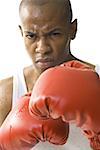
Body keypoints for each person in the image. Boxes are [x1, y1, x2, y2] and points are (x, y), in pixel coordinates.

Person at [0, 0, 97, 149]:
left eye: (54, 34)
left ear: (73, 29)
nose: (42, 48)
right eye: (31, 36)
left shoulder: (98, 82)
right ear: (22, 33)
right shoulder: (6, 93)